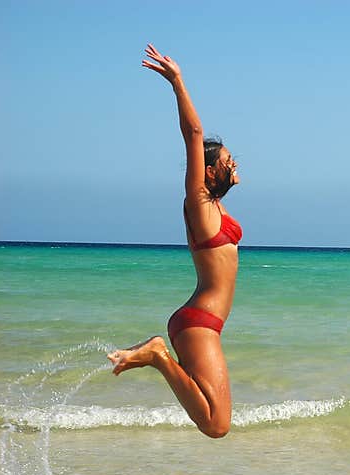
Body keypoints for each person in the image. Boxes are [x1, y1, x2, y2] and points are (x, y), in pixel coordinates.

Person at [108, 44, 242, 438]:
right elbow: (194, 134)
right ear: (209, 169)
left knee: (217, 423)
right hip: (198, 323)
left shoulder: (216, 208)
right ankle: (157, 356)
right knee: (216, 425)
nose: (233, 163)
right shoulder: (199, 204)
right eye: (227, 160)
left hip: (204, 323)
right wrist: (178, 82)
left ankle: (155, 355)